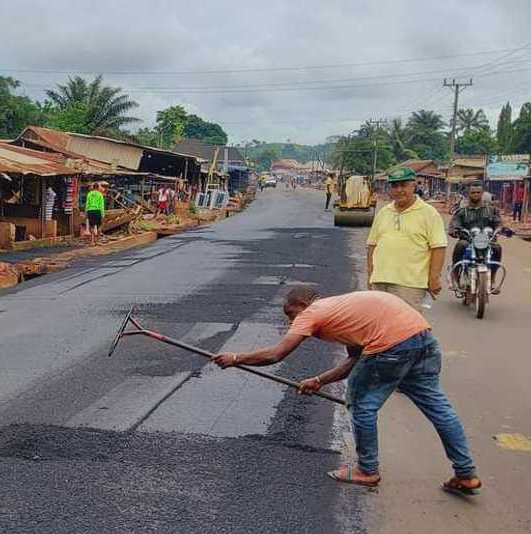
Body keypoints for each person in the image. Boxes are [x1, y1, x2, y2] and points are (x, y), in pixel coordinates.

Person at [212, 286, 480, 494]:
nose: (290, 323)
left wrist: (236, 358)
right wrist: (319, 380)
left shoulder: (312, 312)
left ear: (303, 305)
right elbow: (356, 359)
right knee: (438, 407)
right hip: (421, 337)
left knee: (362, 404)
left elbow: (276, 354)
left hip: (392, 345)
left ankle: (367, 470)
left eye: (290, 314)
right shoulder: (344, 309)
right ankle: (466, 473)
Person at [365, 166, 446, 313]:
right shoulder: (384, 212)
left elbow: (438, 247)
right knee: (380, 327)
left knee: (407, 330)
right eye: (394, 186)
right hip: (380, 281)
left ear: (413, 185)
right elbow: (372, 245)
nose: (398, 190)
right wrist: (370, 274)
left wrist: (434, 278)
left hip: (410, 285)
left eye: (403, 185)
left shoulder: (429, 213)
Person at [448, 181, 503, 292]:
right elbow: (455, 224)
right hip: (468, 241)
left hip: (488, 241)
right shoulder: (462, 212)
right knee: (460, 244)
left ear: (482, 193)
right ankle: (456, 277)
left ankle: (492, 279)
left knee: (497, 247)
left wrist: (499, 230)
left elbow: (498, 223)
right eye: (473, 192)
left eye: (478, 192)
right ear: (468, 194)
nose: (476, 194)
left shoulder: (491, 210)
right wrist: (454, 230)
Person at [85, 181, 106, 245]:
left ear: (93, 187)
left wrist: (86, 212)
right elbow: (101, 205)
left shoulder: (89, 194)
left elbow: (87, 204)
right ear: (98, 188)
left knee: (91, 226)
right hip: (97, 210)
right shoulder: (100, 194)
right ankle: (97, 241)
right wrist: (102, 214)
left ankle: (92, 242)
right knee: (99, 225)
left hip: (90, 210)